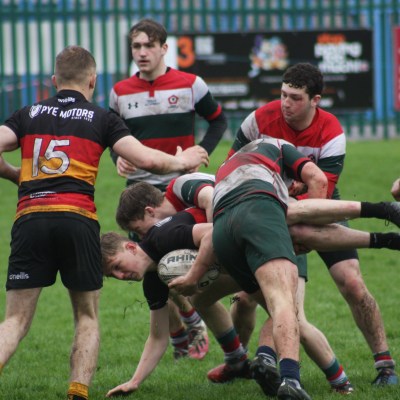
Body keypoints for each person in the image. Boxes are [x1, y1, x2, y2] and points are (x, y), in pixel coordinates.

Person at [0, 45, 208, 400]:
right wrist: (183, 160)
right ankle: (78, 392)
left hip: (30, 218)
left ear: (54, 80)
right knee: (86, 316)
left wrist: (14, 173)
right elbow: (147, 160)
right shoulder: (100, 118)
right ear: (93, 81)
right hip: (77, 219)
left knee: (15, 321)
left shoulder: (28, 114)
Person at [228, 63, 399, 387]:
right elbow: (233, 168)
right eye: (283, 94)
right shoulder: (259, 120)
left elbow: (322, 192)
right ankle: (237, 360)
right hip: (268, 213)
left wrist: (295, 200)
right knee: (250, 296)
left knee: (352, 283)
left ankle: (385, 365)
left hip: (320, 207)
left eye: (295, 98)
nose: (285, 103)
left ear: (315, 100)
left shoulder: (330, 131)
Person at [109, 18, 227, 357]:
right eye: (136, 46)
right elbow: (112, 136)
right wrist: (117, 157)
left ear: (164, 48)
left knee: (177, 264)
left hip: (179, 192)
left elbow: (218, 120)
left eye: (149, 45)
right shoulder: (120, 92)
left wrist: (200, 152)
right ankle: (183, 329)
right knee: (154, 269)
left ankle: (191, 329)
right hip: (139, 197)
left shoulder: (191, 84)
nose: (142, 52)